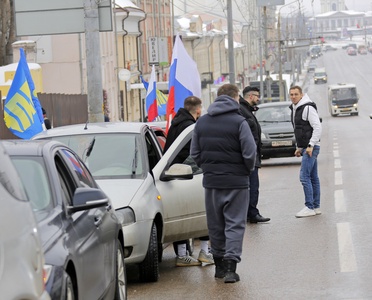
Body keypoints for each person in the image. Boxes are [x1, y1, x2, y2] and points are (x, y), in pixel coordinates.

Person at [191, 84, 256, 283]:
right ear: (235, 98)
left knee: (215, 224)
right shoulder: (239, 122)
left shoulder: (201, 123)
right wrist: (246, 170)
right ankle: (230, 269)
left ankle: (218, 267)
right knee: (234, 224)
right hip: (236, 182)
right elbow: (250, 152)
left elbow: (195, 153)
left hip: (211, 182)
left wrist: (209, 168)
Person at [163, 96, 214, 267]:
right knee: (203, 213)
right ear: (198, 110)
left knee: (183, 215)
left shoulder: (176, 125)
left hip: (173, 176)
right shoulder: (191, 127)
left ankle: (182, 255)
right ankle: (205, 252)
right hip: (190, 176)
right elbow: (196, 154)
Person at [289, 85, 322, 218]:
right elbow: (299, 130)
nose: (293, 97)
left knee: (304, 177)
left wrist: (310, 145)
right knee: (313, 177)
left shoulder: (307, 107)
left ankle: (309, 206)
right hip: (305, 147)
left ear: (301, 95)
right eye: (291, 94)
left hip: (311, 148)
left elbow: (317, 127)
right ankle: (316, 206)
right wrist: (299, 147)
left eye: (296, 94)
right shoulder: (295, 108)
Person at [240, 86, 270, 224]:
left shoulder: (247, 111)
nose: (258, 99)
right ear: (250, 96)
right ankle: (252, 213)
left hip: (252, 155)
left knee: (251, 186)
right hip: (249, 156)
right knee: (252, 186)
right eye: (257, 96)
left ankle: (250, 212)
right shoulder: (242, 111)